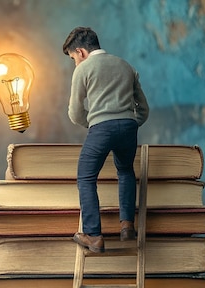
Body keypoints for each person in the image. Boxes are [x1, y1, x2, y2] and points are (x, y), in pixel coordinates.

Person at [63, 26, 149, 253]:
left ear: (80, 52)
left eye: (73, 58)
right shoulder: (126, 66)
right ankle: (127, 225)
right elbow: (143, 108)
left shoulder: (83, 70)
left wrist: (94, 124)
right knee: (125, 171)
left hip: (101, 127)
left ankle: (93, 235)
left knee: (86, 177)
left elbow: (74, 112)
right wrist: (130, 122)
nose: (75, 63)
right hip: (129, 126)